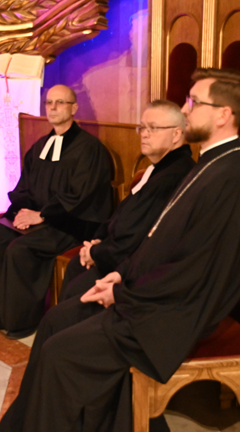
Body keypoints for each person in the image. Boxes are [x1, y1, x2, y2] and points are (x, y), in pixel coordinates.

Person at [0, 68, 240, 432]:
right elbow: (162, 240)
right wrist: (120, 275)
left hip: (175, 312)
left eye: (195, 102)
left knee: (60, 351)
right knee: (56, 320)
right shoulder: (211, 164)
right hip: (152, 293)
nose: (186, 109)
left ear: (223, 114)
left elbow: (197, 269)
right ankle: (28, 431)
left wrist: (124, 295)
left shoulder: (231, 177)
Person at [0, 85, 114, 339]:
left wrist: (43, 215)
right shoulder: (40, 147)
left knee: (19, 250)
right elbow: (24, 187)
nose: (53, 108)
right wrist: (22, 213)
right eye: (49, 103)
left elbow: (81, 196)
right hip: (38, 218)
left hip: (71, 222)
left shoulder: (89, 149)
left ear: (74, 108)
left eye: (60, 102)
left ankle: (21, 321)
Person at [58, 100, 194, 302]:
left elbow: (136, 235)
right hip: (116, 252)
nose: (144, 134)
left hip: (132, 267)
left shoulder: (172, 176)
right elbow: (124, 214)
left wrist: (96, 252)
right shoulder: (160, 168)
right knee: (75, 266)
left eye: (153, 128)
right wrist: (98, 242)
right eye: (143, 128)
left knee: (74, 292)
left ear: (176, 134)